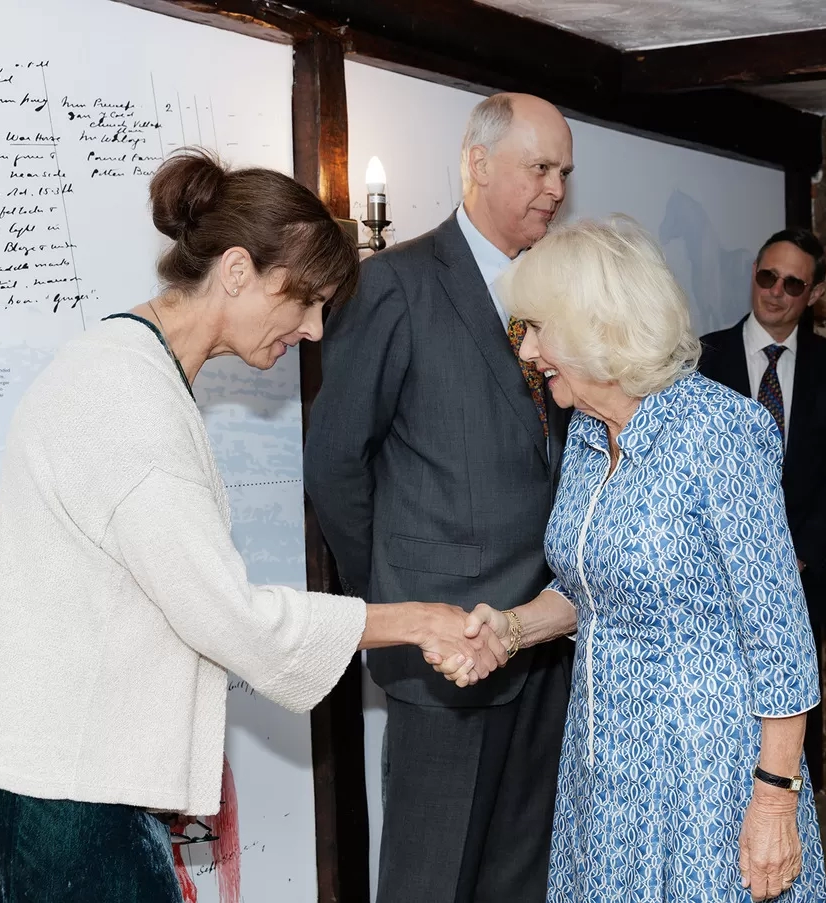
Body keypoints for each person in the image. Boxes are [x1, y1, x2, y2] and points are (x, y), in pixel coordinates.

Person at [0, 149, 507, 903]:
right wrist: (420, 619)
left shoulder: (122, 359)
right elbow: (230, 616)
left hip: (24, 769)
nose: (311, 328)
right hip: (56, 793)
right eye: (301, 300)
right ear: (237, 270)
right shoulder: (130, 399)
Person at [438, 217, 826, 901]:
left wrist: (774, 802)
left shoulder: (719, 433)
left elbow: (782, 641)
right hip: (604, 769)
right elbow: (591, 581)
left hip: (705, 780)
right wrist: (509, 628)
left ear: (598, 325)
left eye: (537, 328)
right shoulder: (590, 431)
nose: (527, 350)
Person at [303, 93, 576, 903]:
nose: (555, 189)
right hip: (443, 655)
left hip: (549, 644)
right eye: (539, 168)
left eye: (564, 172)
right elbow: (335, 463)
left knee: (521, 875)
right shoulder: (394, 283)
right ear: (477, 164)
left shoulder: (557, 291)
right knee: (433, 877)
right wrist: (394, 596)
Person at [699, 228, 826, 790]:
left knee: (789, 744)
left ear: (816, 292)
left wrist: (799, 557)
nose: (775, 292)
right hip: (715, 581)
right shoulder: (703, 358)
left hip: (806, 580)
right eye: (766, 276)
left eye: (793, 283)